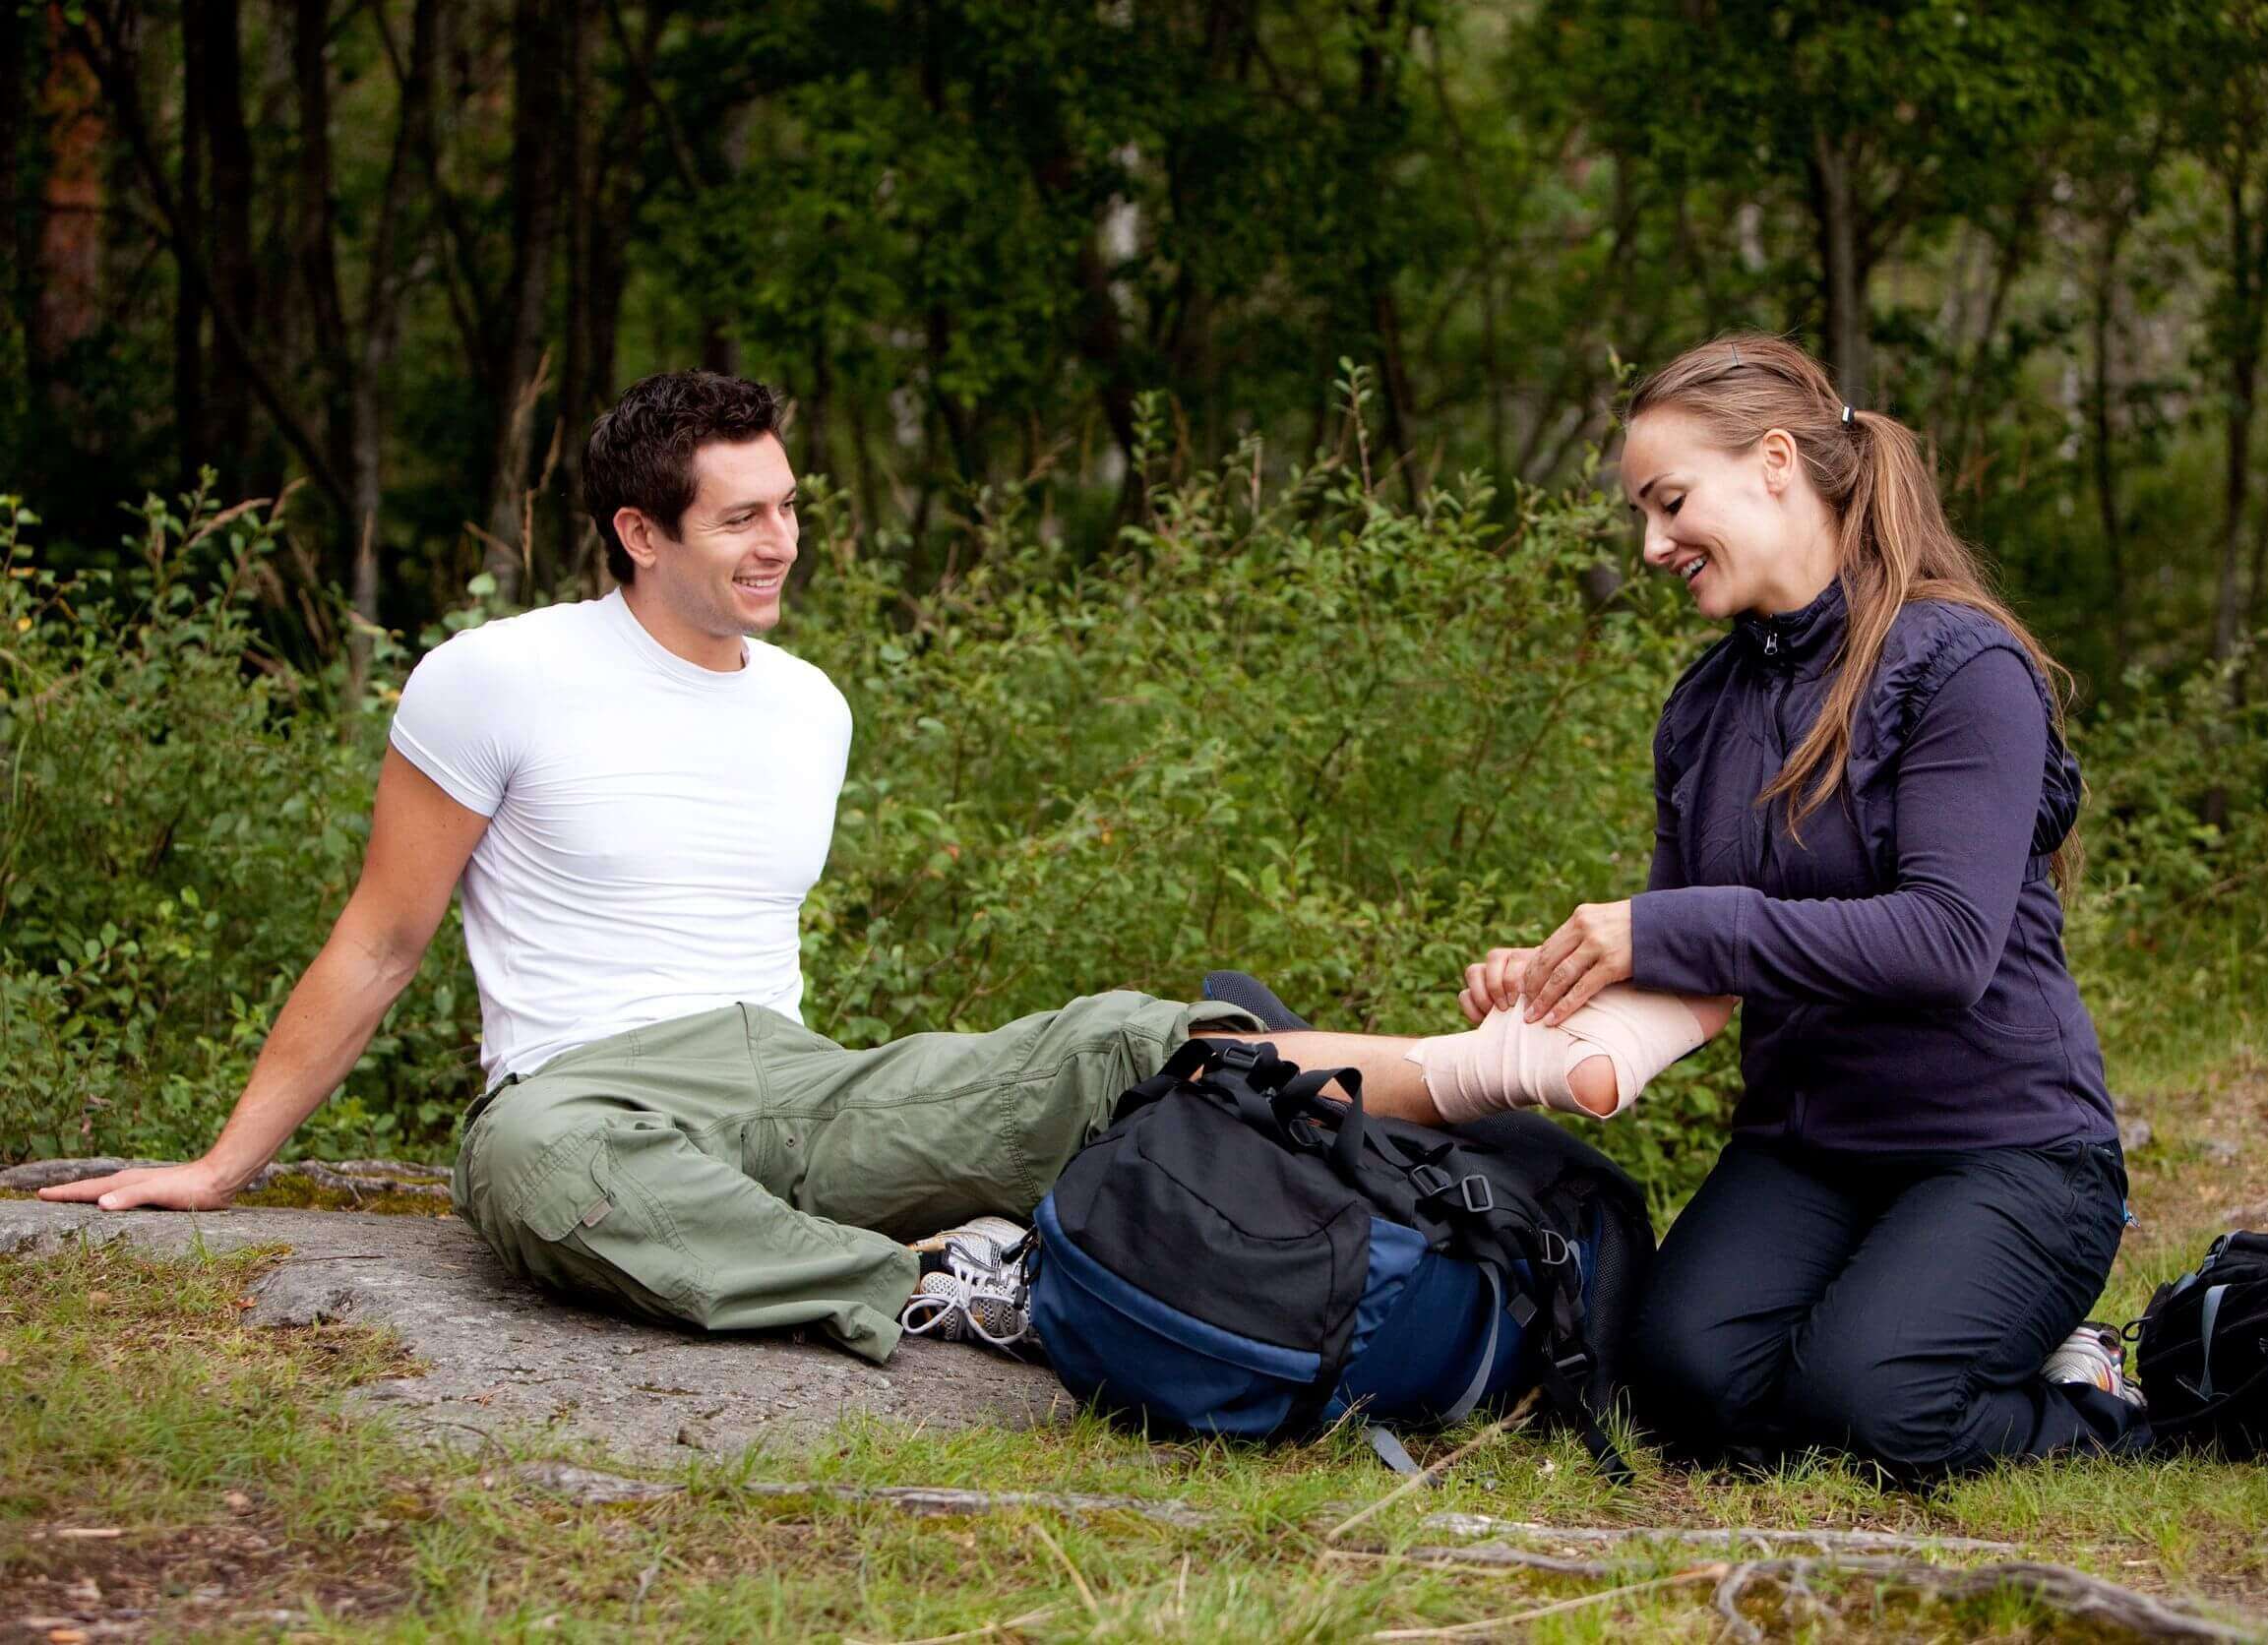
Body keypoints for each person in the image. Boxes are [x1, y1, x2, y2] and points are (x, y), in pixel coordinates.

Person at [39, 370, 1725, 1363]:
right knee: (529, 1172)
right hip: (595, 1093)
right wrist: (218, 1165)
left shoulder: (811, 705)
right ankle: (932, 1289)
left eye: (789, 506)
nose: (780, 541)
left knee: (1109, 1035)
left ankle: (1487, 1077)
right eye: (738, 519)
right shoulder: (495, 677)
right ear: (638, 533)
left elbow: (771, 990)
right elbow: (381, 939)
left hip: (794, 1082)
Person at [1457, 333, 2142, 1476]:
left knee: (1876, 1408)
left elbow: (1946, 944)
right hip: (1809, 1148)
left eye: (1671, 502)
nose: (1652, 543)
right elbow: (1691, 964)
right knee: (1678, 1389)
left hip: (2008, 1149)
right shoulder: (1703, 707)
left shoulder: (1960, 664)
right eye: (1643, 512)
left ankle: (2099, 1397)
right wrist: (1550, 984)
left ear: (1775, 460)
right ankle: (1882, 1335)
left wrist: (1658, 929)